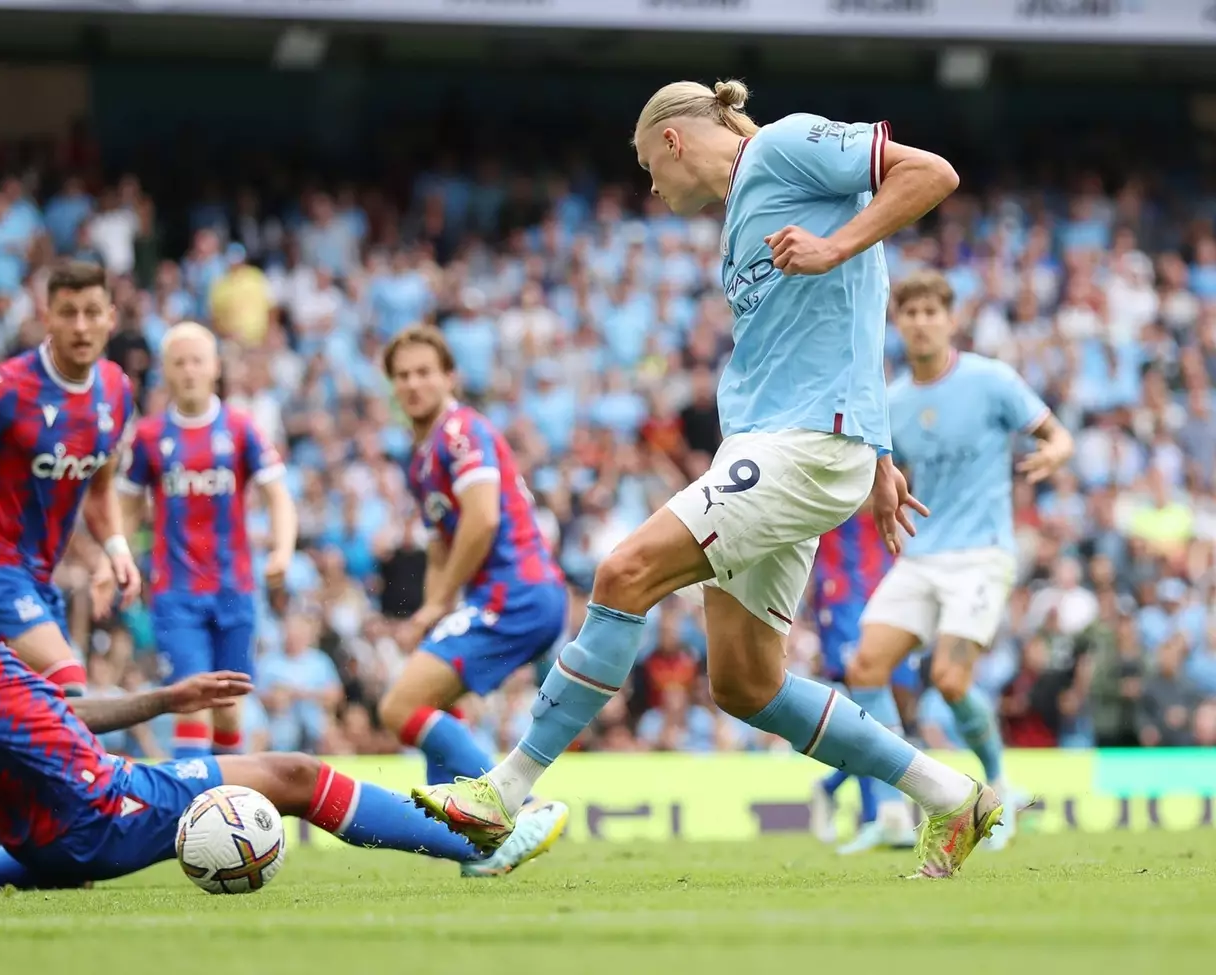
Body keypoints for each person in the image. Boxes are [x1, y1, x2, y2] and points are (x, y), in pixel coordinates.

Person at [414, 79, 997, 879]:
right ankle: (949, 793)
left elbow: (932, 173)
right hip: (793, 441)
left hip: (802, 445)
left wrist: (834, 248)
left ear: (675, 141)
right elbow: (846, 322)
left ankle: (504, 789)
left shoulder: (784, 146)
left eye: (651, 168)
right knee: (746, 681)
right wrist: (881, 448)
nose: (653, 189)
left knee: (624, 570)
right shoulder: (739, 220)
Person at [0, 481, 569, 896]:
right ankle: (481, 842)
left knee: (50, 856)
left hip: (68, 809)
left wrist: (168, 698)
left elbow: (59, 712)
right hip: (92, 806)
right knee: (293, 775)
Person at [0, 259, 140, 855]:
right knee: (66, 683)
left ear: (111, 317)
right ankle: (76, 831)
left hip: (37, 579)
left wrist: (116, 547)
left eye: (93, 312)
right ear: (47, 316)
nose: (82, 325)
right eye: (68, 312)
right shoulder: (4, 388)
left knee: (34, 710)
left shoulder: (116, 390)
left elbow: (99, 487)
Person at [844, 270, 1073, 851]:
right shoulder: (891, 401)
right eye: (910, 313)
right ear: (898, 323)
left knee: (949, 679)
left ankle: (997, 786)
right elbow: (878, 477)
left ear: (951, 319)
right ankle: (897, 813)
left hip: (981, 555)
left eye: (931, 312)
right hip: (923, 555)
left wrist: (1052, 454)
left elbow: (1058, 436)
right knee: (866, 668)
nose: (920, 322)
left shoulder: (991, 381)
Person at [376, 328, 568, 863]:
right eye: (403, 375)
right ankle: (475, 849)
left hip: (517, 591)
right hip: (508, 595)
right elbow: (441, 546)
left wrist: (439, 606)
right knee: (432, 706)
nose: (413, 383)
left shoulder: (459, 430)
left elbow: (481, 520)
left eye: (424, 372)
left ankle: (520, 807)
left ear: (449, 378)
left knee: (399, 706)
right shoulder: (421, 457)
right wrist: (429, 611)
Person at [119, 322, 297, 759]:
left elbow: (278, 495)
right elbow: (123, 504)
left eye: (198, 360)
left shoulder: (241, 428)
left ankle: (226, 810)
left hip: (234, 588)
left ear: (215, 367)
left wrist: (282, 550)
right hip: (175, 593)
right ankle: (193, 815)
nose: (189, 370)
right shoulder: (149, 436)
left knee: (229, 710)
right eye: (179, 362)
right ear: (166, 371)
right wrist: (119, 555)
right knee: (192, 700)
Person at [805, 505, 924, 851]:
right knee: (865, 711)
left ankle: (829, 788)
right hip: (842, 595)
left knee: (898, 711)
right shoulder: (836, 467)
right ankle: (880, 817)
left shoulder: (889, 468)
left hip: (887, 591)